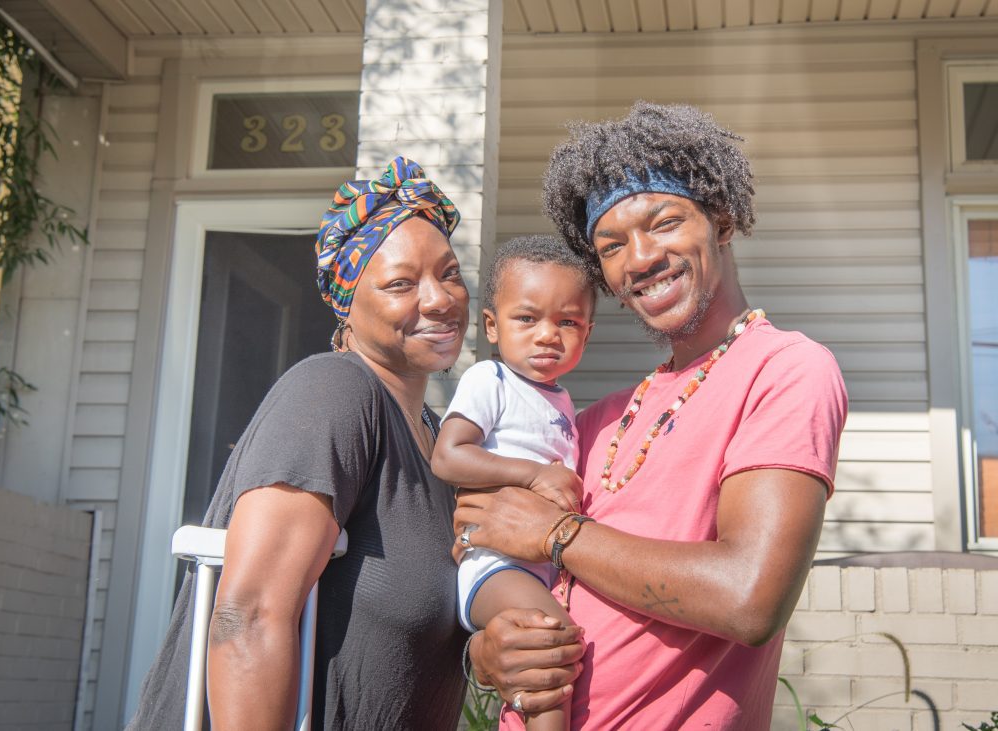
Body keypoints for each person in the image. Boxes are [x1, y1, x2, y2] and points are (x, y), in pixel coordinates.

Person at [458, 103, 849, 730]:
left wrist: (558, 532)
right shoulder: (593, 423)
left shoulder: (783, 369)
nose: (638, 258)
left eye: (663, 222)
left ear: (720, 221)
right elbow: (497, 548)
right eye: (611, 246)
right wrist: (487, 652)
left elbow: (749, 597)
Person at [126, 157, 471, 730]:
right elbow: (249, 618)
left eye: (450, 272)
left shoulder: (437, 438)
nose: (438, 299)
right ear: (347, 304)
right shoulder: (333, 392)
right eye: (401, 283)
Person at [431, 235, 596, 731]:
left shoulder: (563, 402)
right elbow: (448, 455)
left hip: (540, 567)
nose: (548, 334)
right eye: (527, 318)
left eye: (567, 322)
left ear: (586, 334)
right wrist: (533, 474)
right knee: (551, 644)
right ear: (493, 326)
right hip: (496, 565)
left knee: (553, 655)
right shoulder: (491, 380)